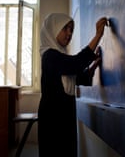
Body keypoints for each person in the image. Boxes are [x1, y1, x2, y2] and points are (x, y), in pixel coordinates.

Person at [38, 13, 107, 157]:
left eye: (71, 29)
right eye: (65, 28)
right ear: (53, 29)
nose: (69, 33)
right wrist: (98, 36)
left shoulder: (59, 55)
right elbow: (75, 64)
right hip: (53, 120)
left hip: (63, 117)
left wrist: (93, 67)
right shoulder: (49, 56)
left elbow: (75, 77)